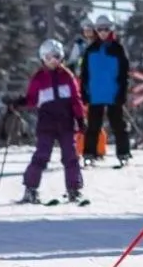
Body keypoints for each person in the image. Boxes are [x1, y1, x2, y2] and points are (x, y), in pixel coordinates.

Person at [9, 39, 87, 204]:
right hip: (47, 124)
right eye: (49, 57)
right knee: (41, 156)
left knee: (71, 157)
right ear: (43, 58)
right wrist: (19, 102)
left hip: (66, 123)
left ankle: (74, 189)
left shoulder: (67, 76)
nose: (53, 61)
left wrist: (80, 119)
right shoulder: (38, 78)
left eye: (56, 57)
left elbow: (76, 99)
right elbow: (31, 99)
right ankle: (30, 189)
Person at [78, 14, 132, 166]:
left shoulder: (118, 49)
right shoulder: (90, 50)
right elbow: (85, 73)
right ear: (96, 30)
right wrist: (83, 91)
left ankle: (123, 153)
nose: (103, 32)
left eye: (106, 29)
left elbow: (124, 73)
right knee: (93, 126)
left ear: (111, 29)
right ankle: (89, 153)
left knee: (118, 125)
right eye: (100, 29)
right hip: (95, 94)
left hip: (114, 94)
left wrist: (122, 92)